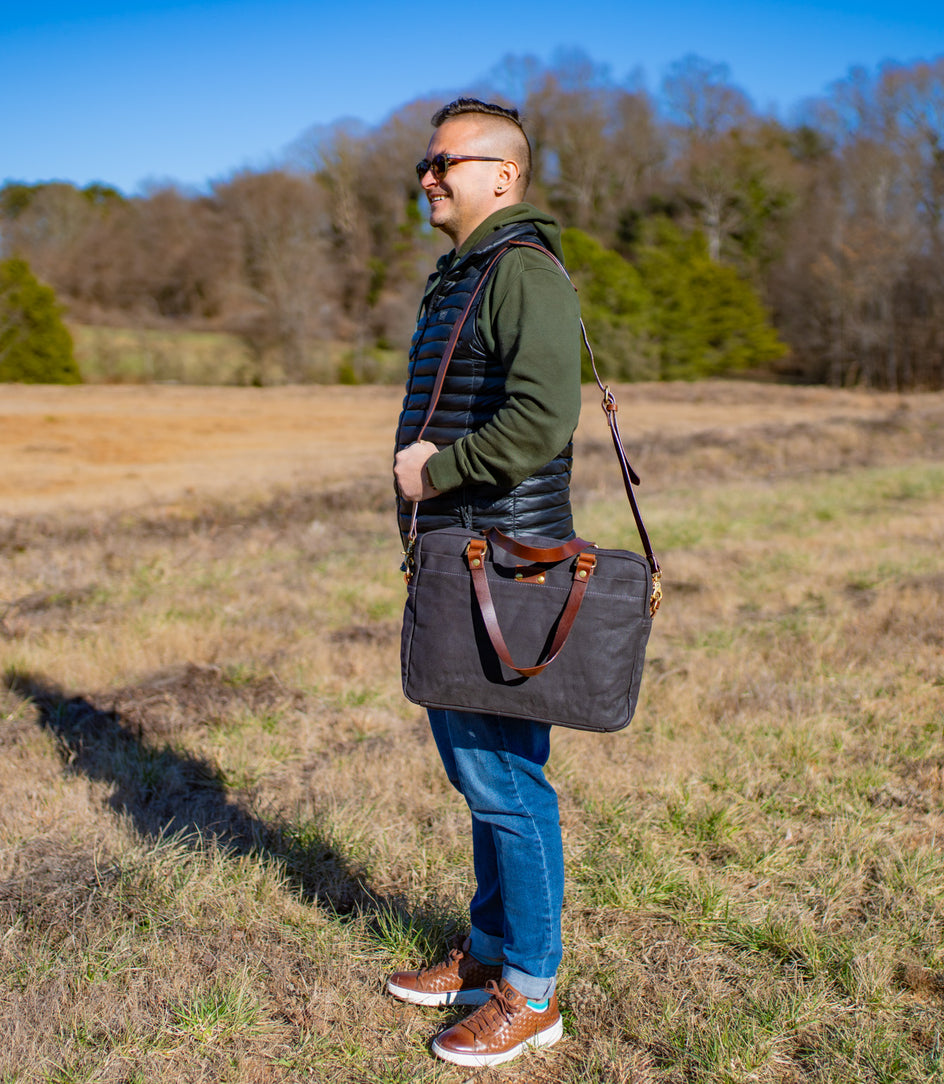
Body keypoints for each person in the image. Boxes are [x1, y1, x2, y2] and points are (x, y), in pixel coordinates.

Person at [388, 97, 582, 1068]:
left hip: (503, 565)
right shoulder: (464, 273)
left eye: (442, 163)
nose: (425, 177)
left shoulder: (521, 273)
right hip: (461, 559)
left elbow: (543, 420)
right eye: (423, 164)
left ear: (499, 176)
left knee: (507, 781)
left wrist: (436, 472)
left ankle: (530, 994)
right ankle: (490, 953)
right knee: (482, 776)